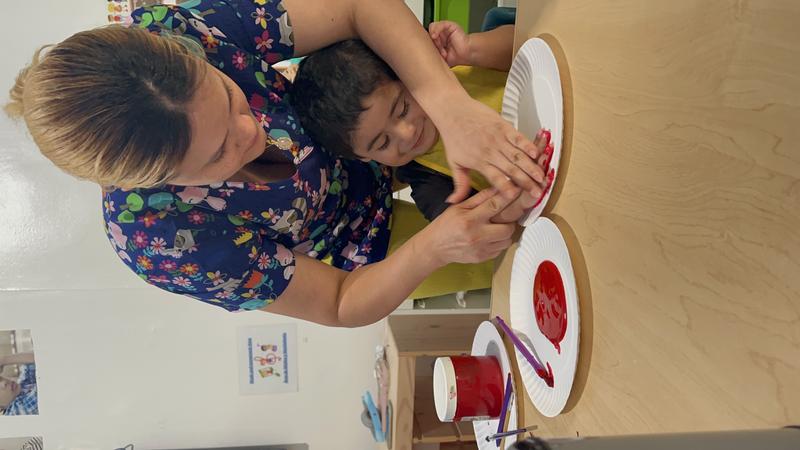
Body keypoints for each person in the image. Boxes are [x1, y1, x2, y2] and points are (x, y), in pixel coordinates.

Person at [5, 0, 547, 327]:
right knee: (517, 251)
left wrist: (446, 104)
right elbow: (338, 302)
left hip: (359, 130)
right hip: (360, 250)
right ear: (161, 184)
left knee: (522, 135)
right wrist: (435, 247)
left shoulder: (176, 29)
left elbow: (358, 7)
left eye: (228, 95)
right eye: (218, 154)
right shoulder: (156, 239)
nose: (253, 131)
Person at [292, 24, 555, 223]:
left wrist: (473, 49)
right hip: (556, 185)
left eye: (403, 108)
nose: (407, 133)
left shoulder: (451, 71)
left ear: (408, 73)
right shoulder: (427, 181)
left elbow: (526, 44)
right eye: (383, 142)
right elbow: (481, 221)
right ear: (363, 157)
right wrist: (519, 202)